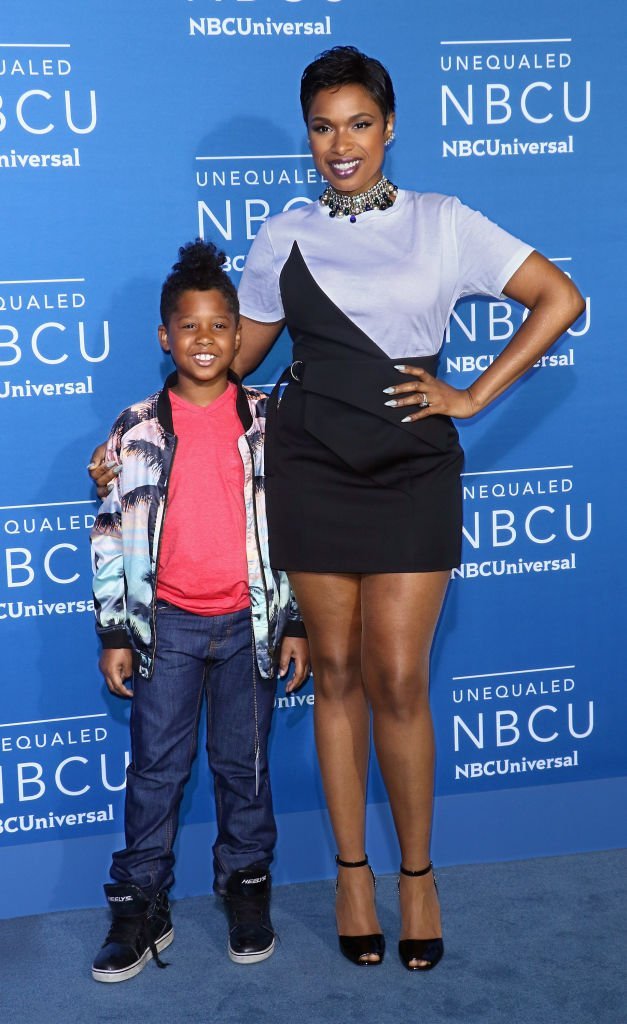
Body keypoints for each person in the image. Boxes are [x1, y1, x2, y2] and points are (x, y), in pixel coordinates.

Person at [90, 47, 585, 972]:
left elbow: (559, 297)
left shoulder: (444, 223)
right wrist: (135, 436)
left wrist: (471, 396)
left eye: (358, 123)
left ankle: (417, 877)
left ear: (389, 127)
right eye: (322, 127)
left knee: (399, 677)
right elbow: (226, 364)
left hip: (411, 471)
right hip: (311, 469)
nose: (340, 144)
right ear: (307, 136)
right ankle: (353, 873)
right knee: (342, 675)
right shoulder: (284, 235)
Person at [89, 240, 309, 983]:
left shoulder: (268, 422)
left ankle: (247, 893)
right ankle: (139, 904)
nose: (206, 340)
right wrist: (116, 629)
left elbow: (297, 528)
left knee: (242, 769)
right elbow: (112, 536)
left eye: (221, 326)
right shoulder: (135, 428)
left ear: (240, 334)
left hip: (249, 626)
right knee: (157, 770)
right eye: (189, 327)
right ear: (164, 336)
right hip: (168, 629)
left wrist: (296, 619)